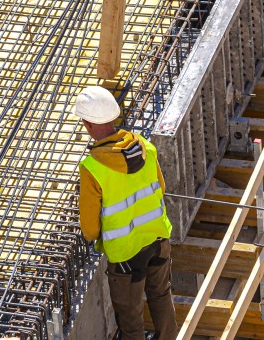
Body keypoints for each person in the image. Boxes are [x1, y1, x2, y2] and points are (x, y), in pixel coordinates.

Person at [74, 85, 177, 340]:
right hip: (158, 238)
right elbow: (160, 188)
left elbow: (90, 229)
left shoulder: (92, 167)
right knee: (161, 295)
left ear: (87, 124)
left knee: (131, 321)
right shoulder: (145, 147)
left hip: (125, 255)